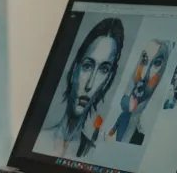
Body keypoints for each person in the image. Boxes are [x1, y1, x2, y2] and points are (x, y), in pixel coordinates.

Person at [40, 18, 125, 158]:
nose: (90, 85)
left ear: (108, 80)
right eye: (87, 66)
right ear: (75, 70)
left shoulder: (93, 154)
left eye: (103, 70)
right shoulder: (38, 140)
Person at [108, 39, 172, 145]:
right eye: (144, 61)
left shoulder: (146, 129)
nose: (145, 72)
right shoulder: (126, 107)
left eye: (156, 63)